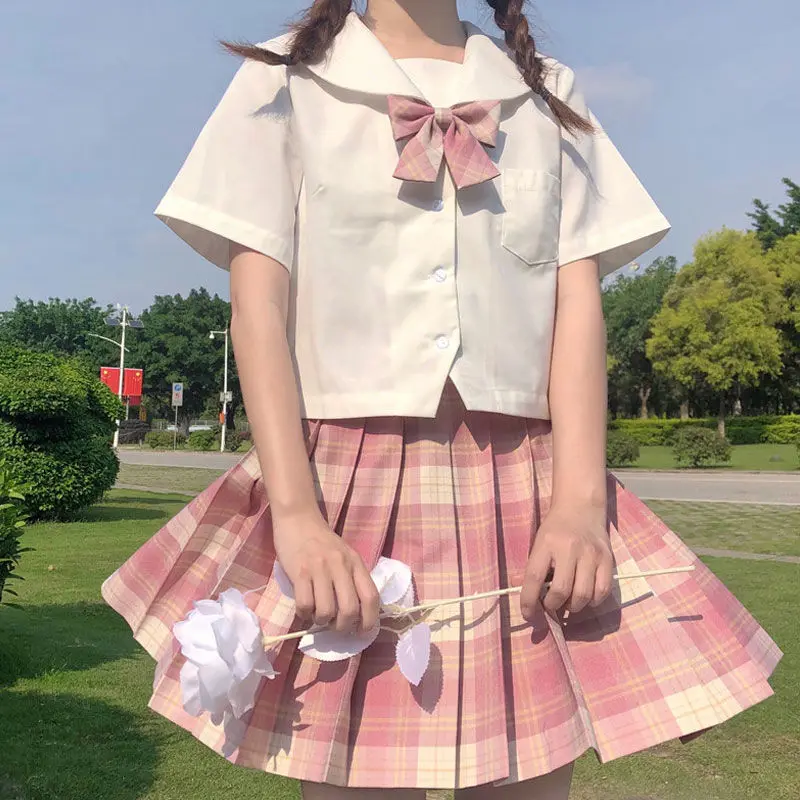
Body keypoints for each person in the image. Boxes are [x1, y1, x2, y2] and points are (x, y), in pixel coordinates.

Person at [101, 1, 782, 798]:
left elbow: (578, 307)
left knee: (525, 778)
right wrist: (295, 516)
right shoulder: (284, 83)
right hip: (342, 490)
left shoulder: (545, 94)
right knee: (350, 766)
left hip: (524, 496)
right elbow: (258, 310)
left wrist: (578, 504)